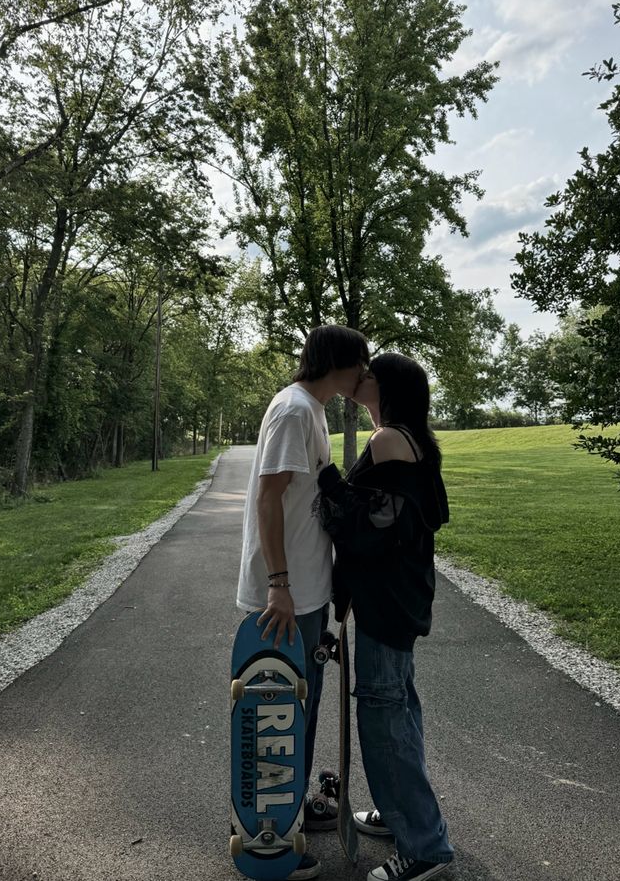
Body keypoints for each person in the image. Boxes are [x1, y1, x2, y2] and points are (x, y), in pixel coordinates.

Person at [237, 323, 370, 881]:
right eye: (358, 364)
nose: (363, 374)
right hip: (286, 595)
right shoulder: (293, 411)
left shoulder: (311, 409)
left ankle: (289, 812)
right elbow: (269, 498)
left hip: (309, 592)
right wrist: (279, 583)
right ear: (336, 363)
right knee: (277, 715)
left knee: (302, 709)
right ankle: (270, 843)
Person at [317, 352, 455, 881]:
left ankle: (425, 847)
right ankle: (401, 816)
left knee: (384, 720)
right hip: (399, 598)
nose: (361, 377)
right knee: (400, 709)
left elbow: (369, 526)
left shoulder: (388, 439)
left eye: (370, 373)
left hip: (385, 601)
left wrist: (329, 482)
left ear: (390, 387)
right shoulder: (414, 438)